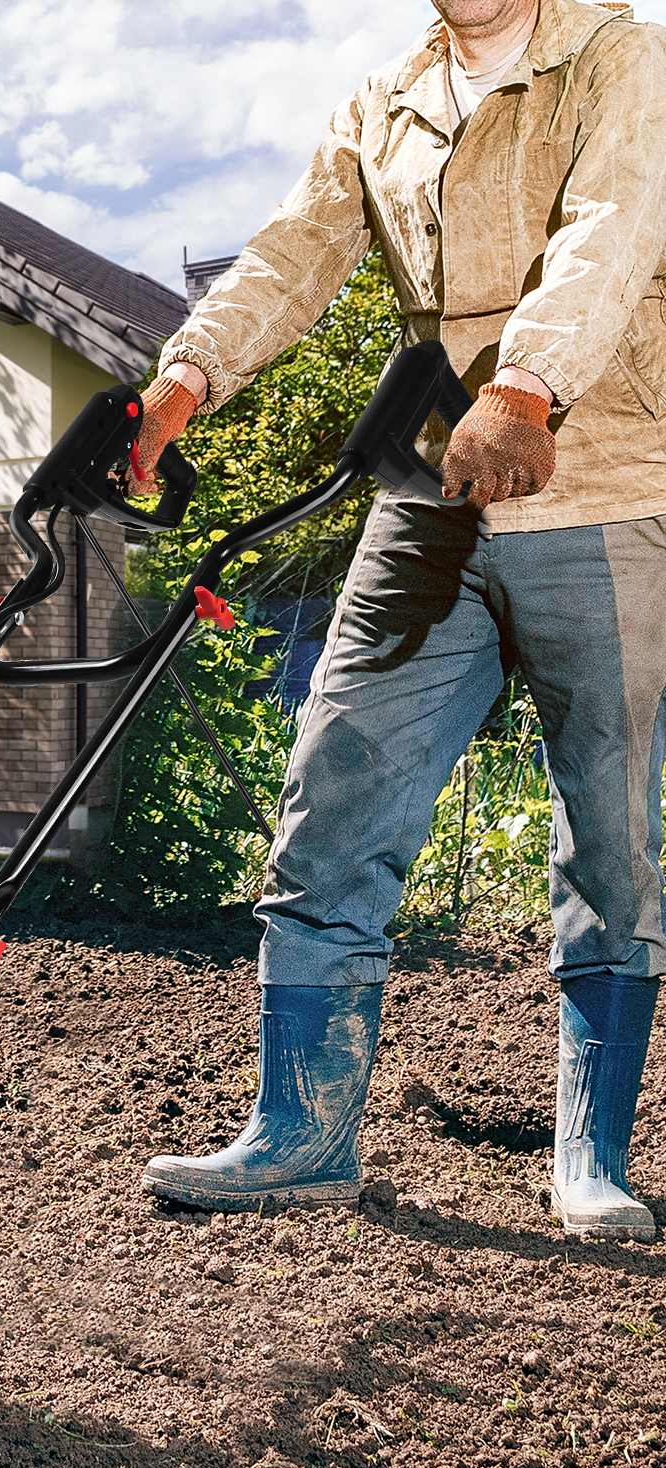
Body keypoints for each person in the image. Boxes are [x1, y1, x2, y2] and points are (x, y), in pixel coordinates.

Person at [134, 0, 666, 1239]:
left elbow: (612, 226)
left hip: (598, 482)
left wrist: (528, 381)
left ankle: (590, 1154)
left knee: (608, 825)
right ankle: (299, 1132)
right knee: (334, 780)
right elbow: (290, 253)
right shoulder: (382, 100)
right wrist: (186, 373)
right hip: (432, 483)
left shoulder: (615, 50)